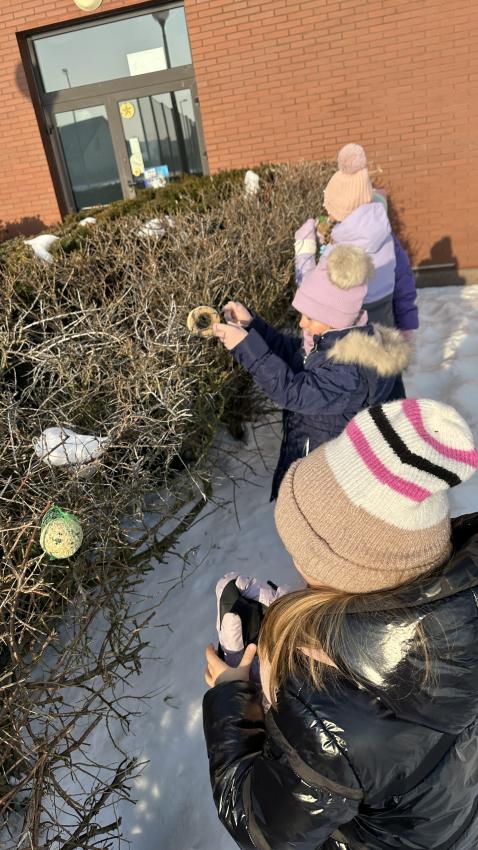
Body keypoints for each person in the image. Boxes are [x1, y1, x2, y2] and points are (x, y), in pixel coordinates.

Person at [203, 398, 478, 850]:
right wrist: (313, 626)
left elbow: (261, 827)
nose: (294, 562)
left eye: (304, 553)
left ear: (350, 569)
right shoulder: (464, 601)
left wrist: (230, 698)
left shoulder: (335, 721)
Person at [213, 244, 410, 499]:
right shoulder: (332, 342)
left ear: (336, 318)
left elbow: (293, 391)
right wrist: (252, 326)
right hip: (318, 466)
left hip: (331, 485)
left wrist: (245, 347)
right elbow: (291, 354)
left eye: (311, 317)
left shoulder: (351, 369)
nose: (302, 323)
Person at [295, 143, 418, 337]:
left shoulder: (341, 253)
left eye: (330, 205)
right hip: (385, 321)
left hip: (351, 333)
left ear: (341, 208)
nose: (326, 209)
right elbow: (403, 280)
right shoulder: (387, 236)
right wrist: (406, 323)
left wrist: (304, 247)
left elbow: (313, 297)